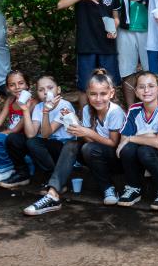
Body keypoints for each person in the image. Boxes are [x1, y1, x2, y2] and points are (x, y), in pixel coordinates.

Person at [23, 69, 126, 215]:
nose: (98, 99)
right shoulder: (86, 110)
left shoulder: (115, 111)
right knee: (72, 144)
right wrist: (78, 126)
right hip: (92, 153)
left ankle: (108, 187)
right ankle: (52, 194)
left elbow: (113, 144)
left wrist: (87, 132)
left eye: (103, 94)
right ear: (87, 94)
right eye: (93, 94)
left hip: (114, 158)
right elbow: (88, 140)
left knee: (88, 148)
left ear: (111, 93)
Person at [57, 0, 122, 111]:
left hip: (107, 44)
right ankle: (86, 122)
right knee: (85, 85)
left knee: (111, 83)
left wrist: (114, 29)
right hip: (86, 44)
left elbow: (115, 16)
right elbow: (60, 4)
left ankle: (112, 120)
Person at [0, 74, 77, 189]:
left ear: (58, 89)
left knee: (34, 142)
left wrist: (46, 113)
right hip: (44, 145)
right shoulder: (39, 107)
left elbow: (46, 134)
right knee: (14, 138)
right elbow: (31, 134)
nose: (46, 92)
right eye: (41, 90)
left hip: (63, 149)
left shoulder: (65, 106)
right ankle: (22, 174)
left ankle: (53, 177)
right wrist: (25, 110)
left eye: (50, 88)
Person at [116, 70, 158, 210]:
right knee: (128, 149)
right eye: (141, 87)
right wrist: (150, 136)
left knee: (143, 149)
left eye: (151, 86)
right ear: (136, 91)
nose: (146, 90)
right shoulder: (133, 109)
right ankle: (134, 188)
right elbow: (123, 142)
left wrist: (134, 138)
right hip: (144, 158)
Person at [110, 0, 153, 109]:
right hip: (125, 28)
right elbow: (110, 1)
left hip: (149, 28)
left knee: (150, 70)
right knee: (127, 70)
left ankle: (150, 107)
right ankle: (131, 108)